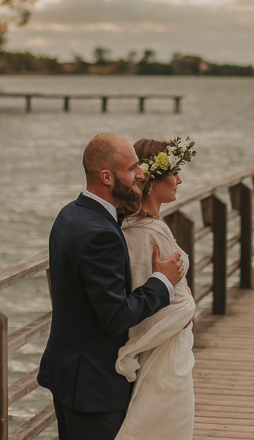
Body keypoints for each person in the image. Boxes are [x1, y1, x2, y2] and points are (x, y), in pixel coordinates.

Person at [37, 133, 184, 440]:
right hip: (94, 386)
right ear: (107, 176)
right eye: (132, 168)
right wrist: (161, 281)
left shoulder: (69, 215)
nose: (141, 174)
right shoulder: (101, 235)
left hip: (68, 372)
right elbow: (115, 315)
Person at [114, 137, 198, 440]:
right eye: (173, 172)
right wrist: (187, 309)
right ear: (150, 182)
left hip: (170, 345)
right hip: (166, 351)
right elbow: (142, 292)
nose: (179, 180)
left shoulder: (138, 226)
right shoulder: (147, 232)